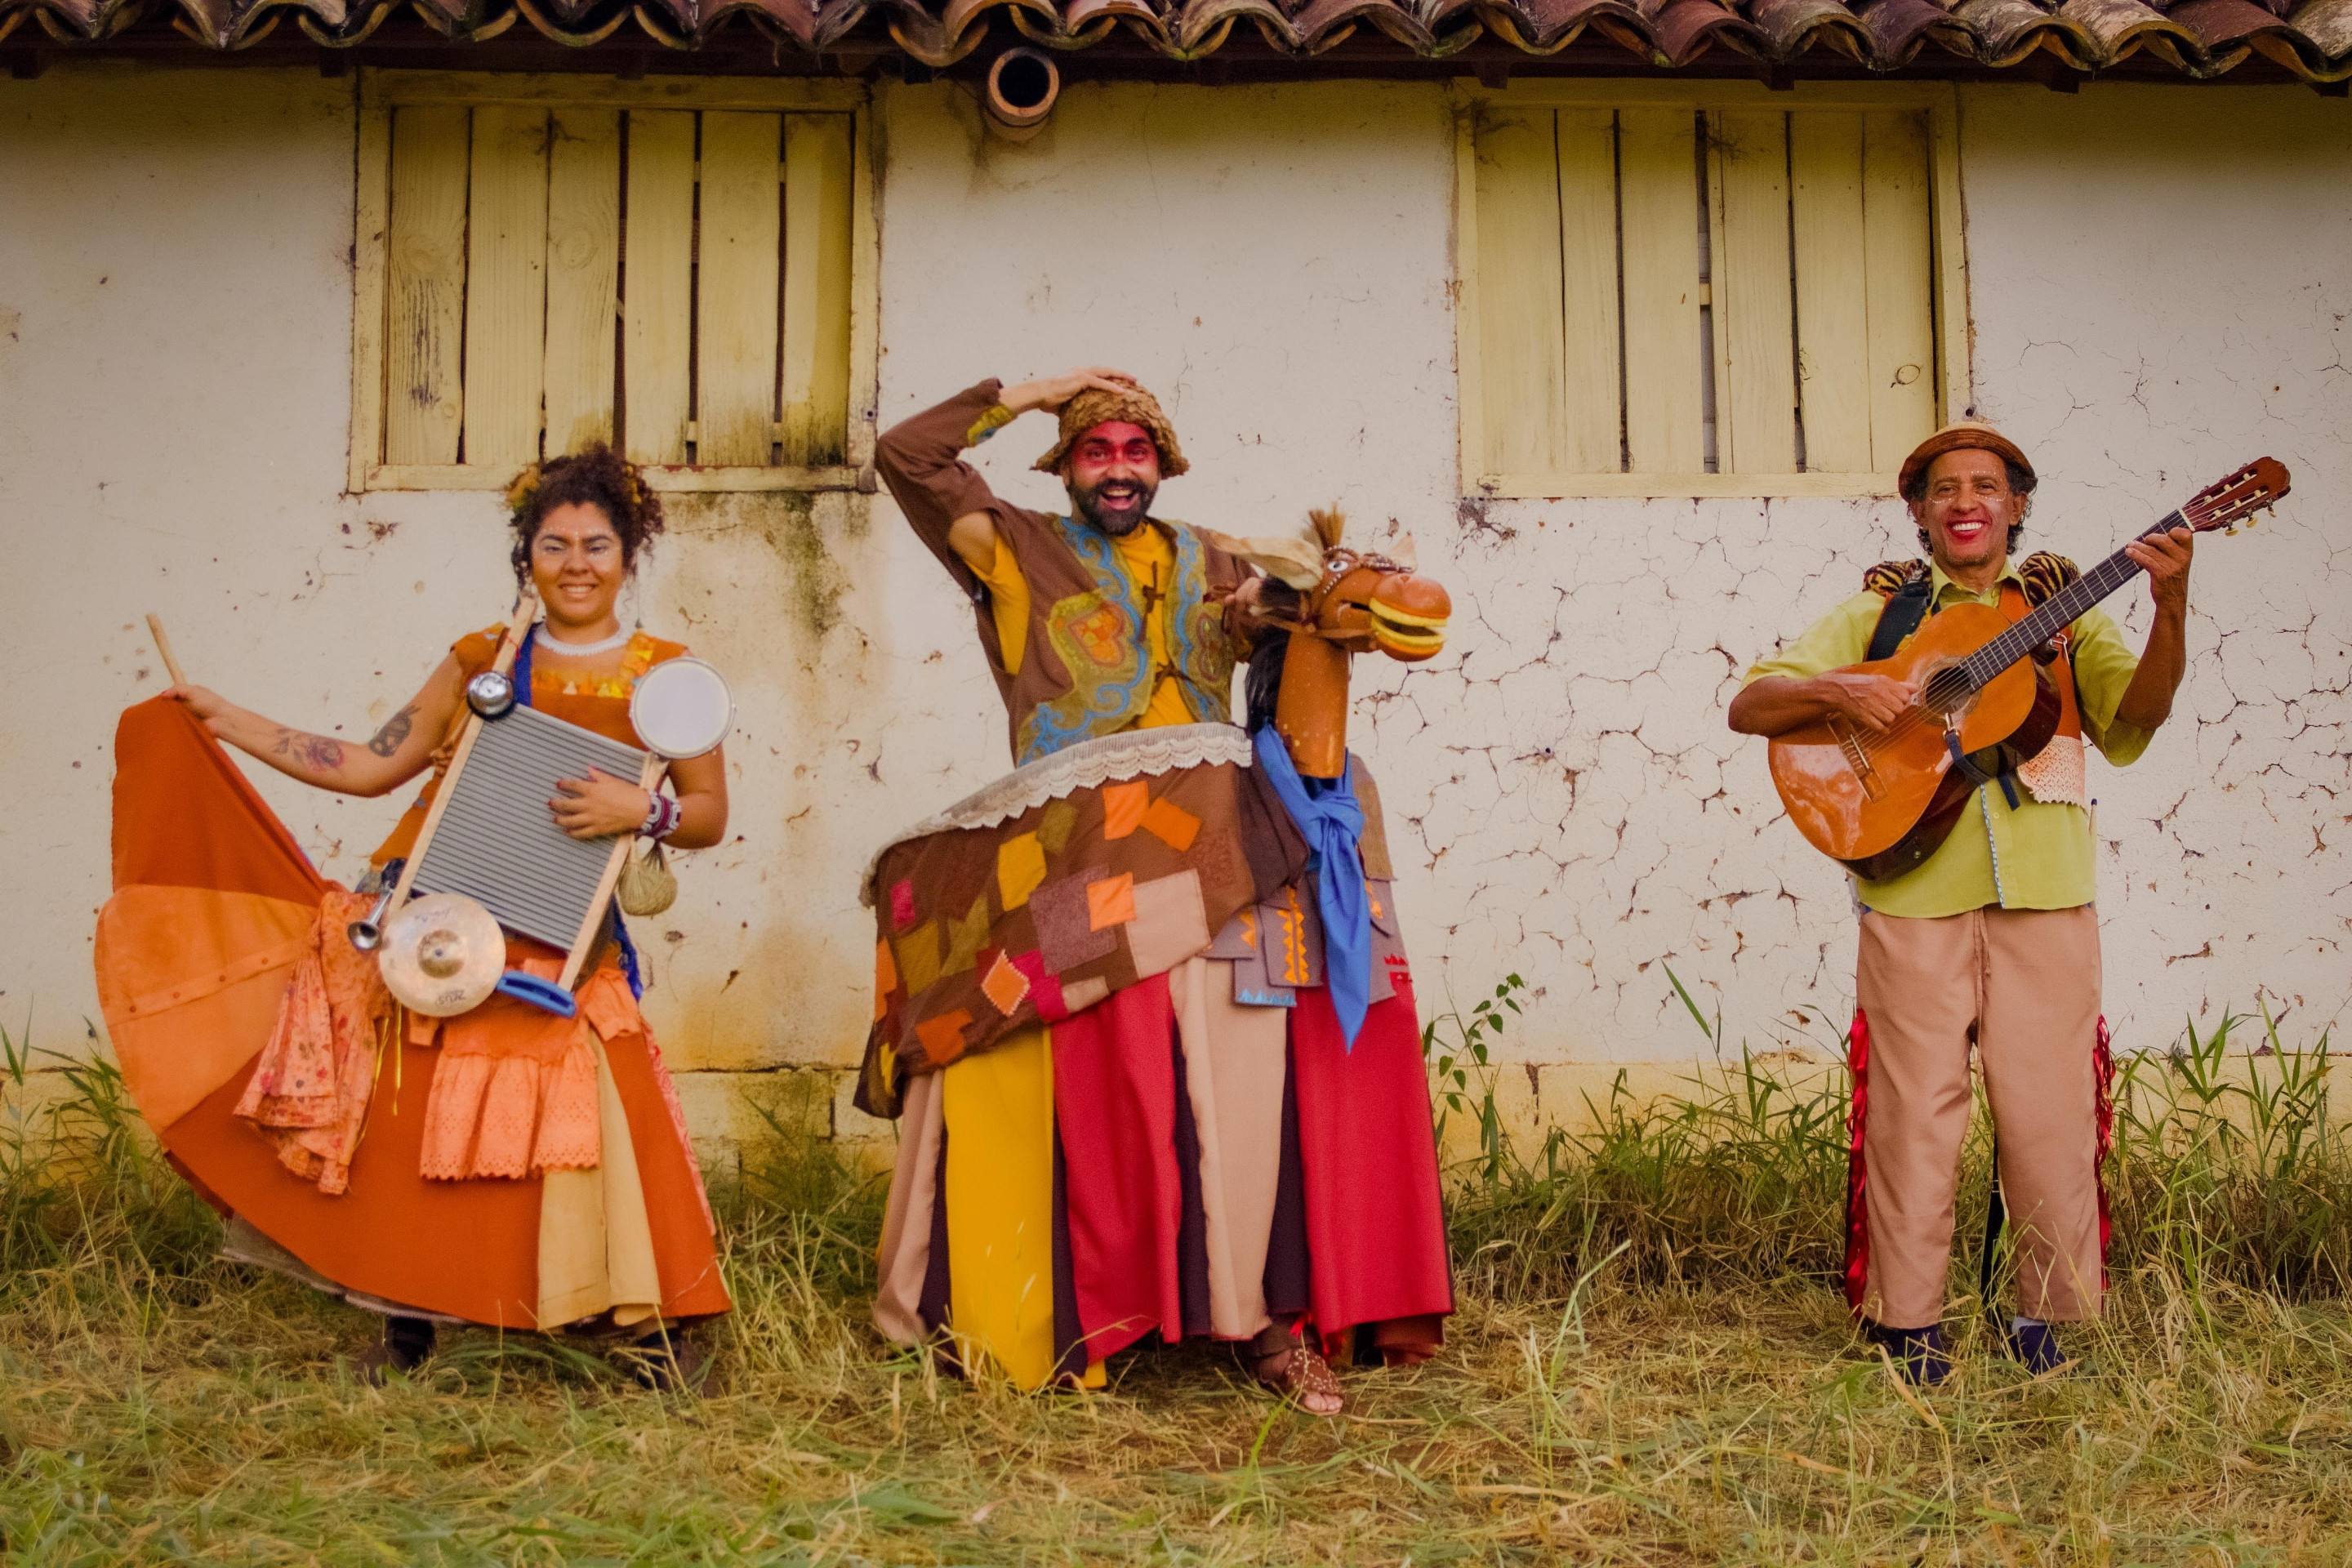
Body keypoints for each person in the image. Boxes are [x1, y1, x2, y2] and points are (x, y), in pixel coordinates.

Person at [866, 368, 1454, 1413]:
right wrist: (1043, 392)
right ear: (1067, 466)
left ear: (1164, 465)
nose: (1119, 468)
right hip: (1075, 865)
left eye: (1137, 451)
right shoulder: (1013, 548)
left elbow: (1319, 622)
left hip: (1202, 862)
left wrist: (1297, 606)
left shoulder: (1218, 560)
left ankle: (1262, 1326)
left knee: (1231, 1082)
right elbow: (909, 455)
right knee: (1097, 1088)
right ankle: (1069, 1315)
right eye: (1098, 451)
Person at [116, 444, 729, 1383]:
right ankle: (408, 1329)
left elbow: (711, 816)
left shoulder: (668, 678)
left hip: (562, 934)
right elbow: (371, 765)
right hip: (437, 919)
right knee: (408, 1128)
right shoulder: (483, 658)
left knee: (597, 1119)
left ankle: (651, 1332)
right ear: (528, 553)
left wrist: (638, 810)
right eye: (554, 543)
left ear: (628, 554)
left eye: (596, 545)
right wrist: (227, 721)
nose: (575, 563)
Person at [1729, 423, 2194, 1383]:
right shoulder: (1884, 615)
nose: (1966, 500)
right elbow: (1753, 703)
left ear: (2017, 506)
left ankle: (2046, 1320)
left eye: (1987, 485)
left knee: (2051, 1115)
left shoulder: (2065, 615)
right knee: (1912, 1114)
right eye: (1945, 488)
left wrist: (2171, 604)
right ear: (1920, 511)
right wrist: (1843, 690)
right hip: (1911, 896)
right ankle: (1908, 1327)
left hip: (2047, 897)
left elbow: (2136, 719)